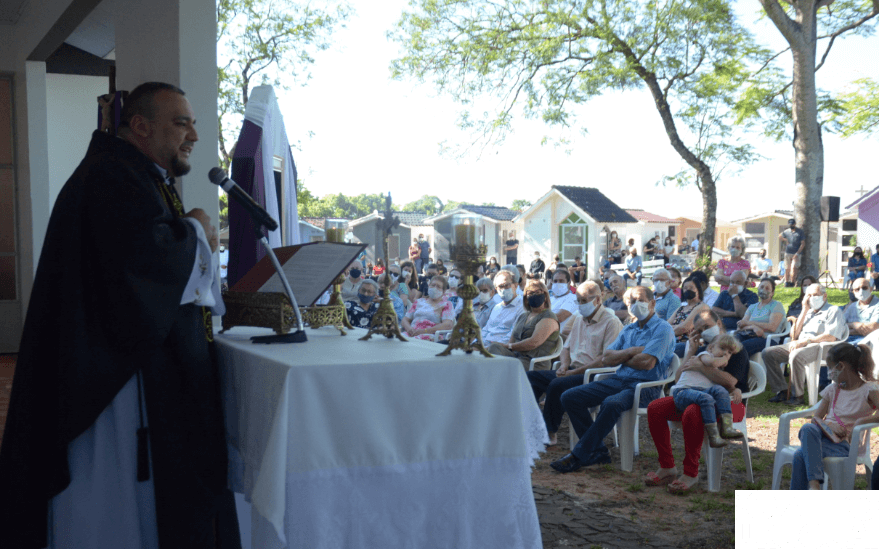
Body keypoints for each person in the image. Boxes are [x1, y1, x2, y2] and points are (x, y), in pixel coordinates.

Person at [0, 82, 240, 547]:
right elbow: (144, 266)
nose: (192, 134)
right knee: (112, 505)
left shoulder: (133, 174)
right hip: (109, 384)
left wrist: (185, 227)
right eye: (180, 122)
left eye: (192, 122)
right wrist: (194, 229)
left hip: (118, 365)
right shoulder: (114, 177)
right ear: (141, 126)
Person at [549, 286, 675, 473]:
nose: (635, 304)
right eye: (631, 301)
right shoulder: (629, 329)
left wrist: (622, 357)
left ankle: (578, 455)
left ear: (652, 303)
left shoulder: (663, 329)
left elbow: (647, 362)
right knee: (569, 396)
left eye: (639, 299)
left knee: (611, 403)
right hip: (619, 380)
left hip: (644, 387)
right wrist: (632, 351)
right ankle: (598, 450)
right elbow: (607, 357)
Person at [645, 310, 750, 493]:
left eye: (707, 327)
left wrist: (702, 367)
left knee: (693, 412)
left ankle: (690, 472)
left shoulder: (734, 349)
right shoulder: (705, 350)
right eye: (700, 330)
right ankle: (667, 466)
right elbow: (679, 380)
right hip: (694, 396)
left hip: (729, 404)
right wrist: (691, 352)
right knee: (655, 408)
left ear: (718, 324)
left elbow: (730, 382)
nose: (704, 332)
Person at [527, 281, 623, 446]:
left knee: (557, 384)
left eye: (584, 301)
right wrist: (564, 365)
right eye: (578, 300)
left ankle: (550, 432)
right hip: (572, 369)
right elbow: (566, 349)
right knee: (531, 377)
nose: (580, 305)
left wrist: (574, 372)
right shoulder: (579, 318)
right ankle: (530, 424)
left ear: (598, 300)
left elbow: (605, 359)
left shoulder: (611, 322)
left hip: (596, 375)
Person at [789, 342, 879, 489]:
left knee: (800, 456)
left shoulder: (869, 390)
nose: (830, 372)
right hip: (821, 435)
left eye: (831, 368)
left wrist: (861, 421)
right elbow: (816, 419)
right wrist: (830, 425)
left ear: (841, 366)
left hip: (843, 444)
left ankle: (813, 486)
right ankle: (814, 486)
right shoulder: (833, 389)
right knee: (807, 428)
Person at [763, 283, 849, 405]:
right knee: (768, 353)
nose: (812, 298)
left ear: (824, 296)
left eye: (815, 295)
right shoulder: (808, 312)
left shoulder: (833, 310)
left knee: (795, 355)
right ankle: (782, 391)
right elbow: (795, 335)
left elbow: (831, 336)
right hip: (801, 344)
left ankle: (798, 396)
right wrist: (804, 310)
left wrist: (806, 341)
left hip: (820, 347)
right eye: (809, 295)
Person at [670, 334, 745, 449]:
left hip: (700, 392)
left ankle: (727, 427)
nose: (725, 353)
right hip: (683, 392)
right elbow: (712, 362)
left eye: (730, 352)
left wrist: (735, 390)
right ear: (710, 348)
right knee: (707, 398)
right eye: (722, 348)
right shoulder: (704, 356)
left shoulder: (715, 370)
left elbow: (722, 385)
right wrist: (724, 359)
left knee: (719, 390)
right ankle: (714, 436)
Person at [488, 280, 560, 371]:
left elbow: (533, 342)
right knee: (494, 347)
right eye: (530, 293)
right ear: (526, 298)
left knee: (503, 365)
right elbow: (512, 340)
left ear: (545, 296)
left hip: (533, 362)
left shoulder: (549, 317)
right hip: (516, 356)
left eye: (538, 292)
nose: (534, 295)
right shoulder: (523, 316)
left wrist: (509, 346)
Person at [734, 278, 786, 357]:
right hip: (748, 335)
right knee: (730, 345)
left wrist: (749, 323)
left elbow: (772, 327)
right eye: (761, 287)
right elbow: (740, 326)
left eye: (767, 288)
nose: (763, 290)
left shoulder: (777, 305)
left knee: (741, 348)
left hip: (767, 339)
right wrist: (753, 327)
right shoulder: (752, 307)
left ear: (772, 293)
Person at [401, 275, 455, 341]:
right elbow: (405, 319)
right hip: (412, 333)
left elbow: (447, 325)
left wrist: (424, 331)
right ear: (429, 286)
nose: (435, 288)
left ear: (443, 291)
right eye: (433, 285)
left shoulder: (446, 304)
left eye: (438, 287)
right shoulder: (419, 302)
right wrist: (409, 329)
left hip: (430, 335)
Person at [669, 276, 711, 357]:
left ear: (698, 290)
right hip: (672, 340)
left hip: (688, 343)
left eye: (691, 287)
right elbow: (665, 325)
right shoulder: (680, 308)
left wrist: (674, 327)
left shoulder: (702, 307)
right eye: (685, 288)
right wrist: (677, 327)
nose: (688, 290)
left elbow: (684, 328)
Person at [481, 270, 525, 346]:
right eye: (500, 286)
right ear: (496, 289)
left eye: (507, 285)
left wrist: (487, 349)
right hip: (485, 347)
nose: (503, 289)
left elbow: (511, 337)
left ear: (515, 285)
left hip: (500, 350)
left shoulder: (522, 307)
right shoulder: (497, 307)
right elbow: (486, 330)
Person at [843, 277, 879, 344]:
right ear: (853, 292)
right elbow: (840, 325)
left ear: (871, 289)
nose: (861, 291)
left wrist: (849, 329)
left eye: (864, 288)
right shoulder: (852, 306)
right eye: (857, 289)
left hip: (869, 342)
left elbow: (873, 327)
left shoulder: (877, 304)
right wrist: (854, 324)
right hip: (848, 339)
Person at [779, 218, 806, 287]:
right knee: (787, 268)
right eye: (790, 224)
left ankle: (792, 282)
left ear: (795, 224)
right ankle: (787, 282)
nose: (791, 225)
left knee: (794, 268)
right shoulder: (787, 231)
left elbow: (803, 243)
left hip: (796, 253)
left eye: (792, 224)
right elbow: (780, 236)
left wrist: (797, 253)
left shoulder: (800, 232)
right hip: (788, 252)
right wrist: (786, 240)